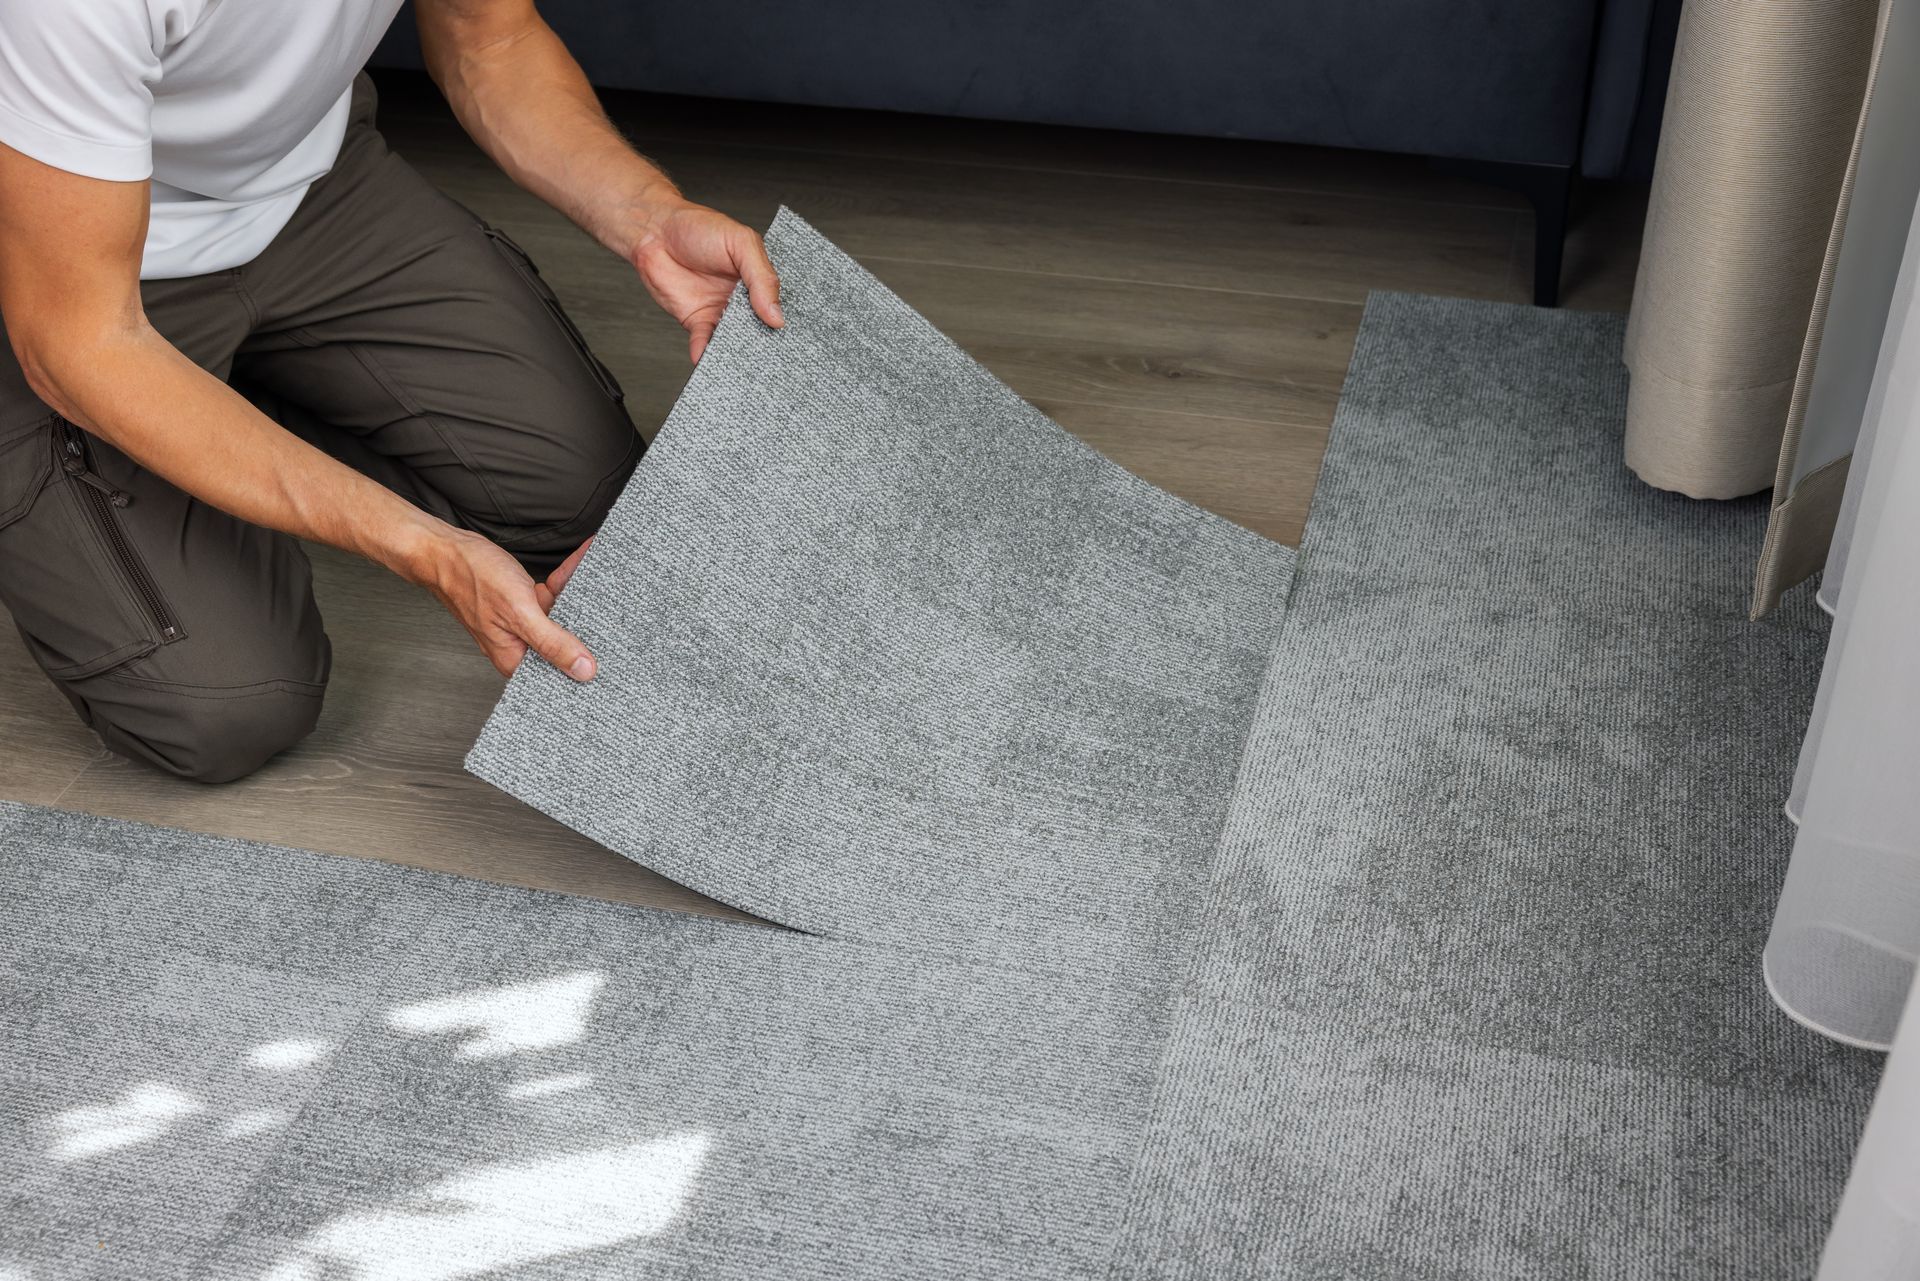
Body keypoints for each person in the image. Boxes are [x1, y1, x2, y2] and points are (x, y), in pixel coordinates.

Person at [0, 0, 784, 782]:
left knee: (594, 516)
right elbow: (83, 342)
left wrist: (652, 218)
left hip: (310, 197)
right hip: (72, 278)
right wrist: (426, 549)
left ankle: (244, 409)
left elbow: (495, 41)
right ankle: (199, 425)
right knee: (229, 705)